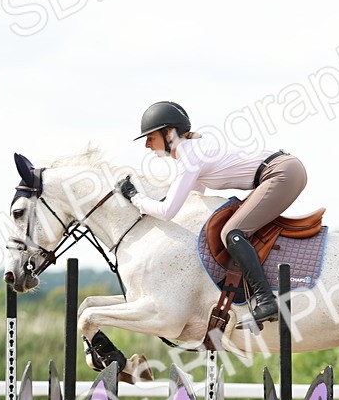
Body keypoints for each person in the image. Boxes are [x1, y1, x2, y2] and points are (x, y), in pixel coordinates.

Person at [117, 101, 307, 325]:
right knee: (231, 227)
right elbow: (191, 202)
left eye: (150, 137)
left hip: (281, 173)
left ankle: (266, 300)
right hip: (281, 170)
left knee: (232, 232)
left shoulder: (190, 158)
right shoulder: (191, 153)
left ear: (169, 133)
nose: (147, 145)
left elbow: (168, 211)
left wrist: (135, 198)